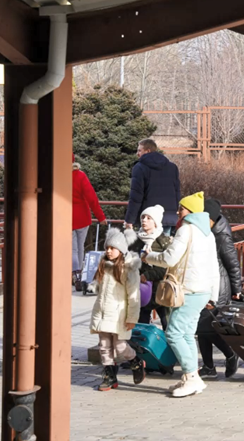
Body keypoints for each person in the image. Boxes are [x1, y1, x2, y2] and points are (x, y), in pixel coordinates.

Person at [143, 192, 219, 398]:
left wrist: (148, 256)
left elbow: (169, 258)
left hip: (188, 290)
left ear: (191, 211)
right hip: (202, 291)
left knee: (174, 333)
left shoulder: (186, 230)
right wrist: (214, 295)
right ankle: (192, 377)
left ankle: (191, 377)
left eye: (182, 208)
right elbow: (215, 267)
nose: (178, 212)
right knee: (186, 333)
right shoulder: (208, 233)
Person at [91, 227, 145, 391]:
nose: (109, 251)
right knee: (104, 346)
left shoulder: (128, 269)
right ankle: (109, 375)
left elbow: (133, 297)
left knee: (120, 346)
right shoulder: (104, 265)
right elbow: (99, 288)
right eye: (107, 248)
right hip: (102, 313)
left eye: (113, 248)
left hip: (119, 314)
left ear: (121, 250)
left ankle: (135, 362)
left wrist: (132, 318)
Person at [197, 199, 241, 379]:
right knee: (202, 329)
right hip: (204, 284)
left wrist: (236, 289)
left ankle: (231, 354)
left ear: (211, 218)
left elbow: (233, 264)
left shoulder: (221, 235)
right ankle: (208, 366)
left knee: (206, 327)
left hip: (219, 287)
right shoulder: (205, 232)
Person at [125, 139, 181, 235]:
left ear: (148, 151)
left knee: (146, 247)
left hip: (148, 217)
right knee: (164, 247)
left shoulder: (140, 168)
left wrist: (129, 220)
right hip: (168, 217)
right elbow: (177, 193)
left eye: (139, 150)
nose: (137, 154)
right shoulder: (172, 167)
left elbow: (136, 196)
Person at [129, 205, 171, 330]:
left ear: (156, 222)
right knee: (142, 326)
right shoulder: (136, 240)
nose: (144, 220)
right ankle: (143, 348)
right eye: (143, 217)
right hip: (142, 290)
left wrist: (147, 275)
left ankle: (169, 348)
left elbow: (166, 265)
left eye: (148, 218)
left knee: (168, 325)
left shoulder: (163, 241)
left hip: (161, 289)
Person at [72, 155, 107, 287]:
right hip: (82, 217)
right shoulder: (80, 176)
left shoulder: (58, 176)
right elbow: (92, 197)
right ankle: (80, 275)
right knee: (80, 247)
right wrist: (100, 216)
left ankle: (75, 274)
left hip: (65, 217)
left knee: (72, 249)